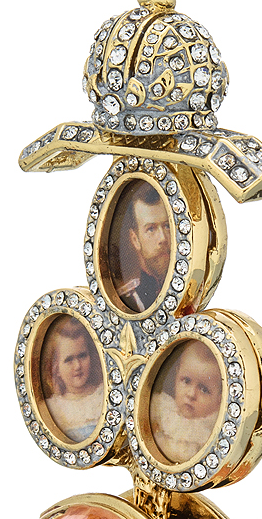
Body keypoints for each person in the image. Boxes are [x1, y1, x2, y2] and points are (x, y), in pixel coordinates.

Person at [149, 338, 222, 463]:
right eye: (186, 381)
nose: (191, 394)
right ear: (177, 375)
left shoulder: (211, 432)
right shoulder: (160, 408)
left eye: (204, 389)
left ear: (219, 400)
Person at [38, 315, 103, 442]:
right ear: (56, 368)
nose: (77, 366)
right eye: (69, 360)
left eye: (82, 356)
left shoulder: (103, 394)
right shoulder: (52, 409)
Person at [112, 180, 172, 314]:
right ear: (135, 239)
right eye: (151, 229)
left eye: (167, 226)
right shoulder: (130, 300)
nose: (163, 238)